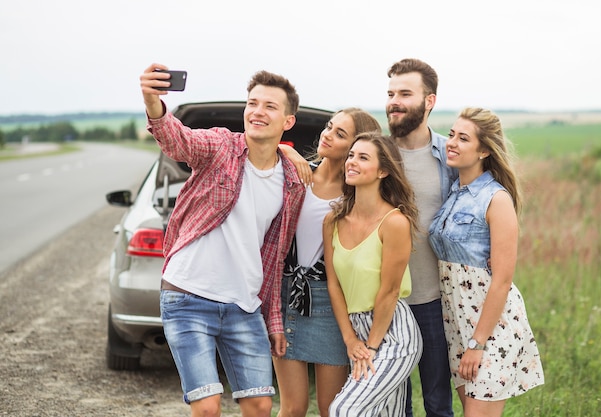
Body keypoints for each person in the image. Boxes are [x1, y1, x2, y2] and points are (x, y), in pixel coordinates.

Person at [139, 63, 305, 417]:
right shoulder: (219, 147)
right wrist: (153, 102)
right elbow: (178, 139)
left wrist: (272, 320)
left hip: (242, 306)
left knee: (260, 406)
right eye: (252, 103)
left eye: (270, 106)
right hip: (187, 295)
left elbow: (274, 260)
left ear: (287, 121)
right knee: (207, 408)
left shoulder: (291, 181)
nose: (257, 112)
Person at [428, 107, 545, 417]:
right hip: (457, 326)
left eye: (463, 138)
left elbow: (503, 281)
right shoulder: (453, 191)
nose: (451, 142)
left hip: (491, 329)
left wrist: (477, 343)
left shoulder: (496, 199)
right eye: (451, 134)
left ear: (483, 150)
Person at [274, 109, 382, 417]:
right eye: (329, 127)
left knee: (331, 409)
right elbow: (256, 146)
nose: (327, 134)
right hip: (286, 296)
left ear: (355, 148)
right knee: (292, 408)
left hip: (330, 302)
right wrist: (286, 149)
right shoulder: (296, 172)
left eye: (340, 134)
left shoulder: (355, 193)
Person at [322, 132, 422, 416]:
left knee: (344, 410)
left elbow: (390, 292)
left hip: (392, 333)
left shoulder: (395, 223)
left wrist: (371, 345)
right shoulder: (333, 220)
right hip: (356, 330)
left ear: (383, 171)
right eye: (351, 155)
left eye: (363, 157)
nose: (352, 162)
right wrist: (350, 340)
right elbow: (334, 285)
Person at [386, 58, 456, 417]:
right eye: (391, 93)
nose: (394, 101)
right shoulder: (377, 154)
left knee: (438, 404)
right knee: (395, 406)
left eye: (405, 94)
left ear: (429, 101)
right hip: (384, 302)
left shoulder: (451, 156)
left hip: (434, 300)